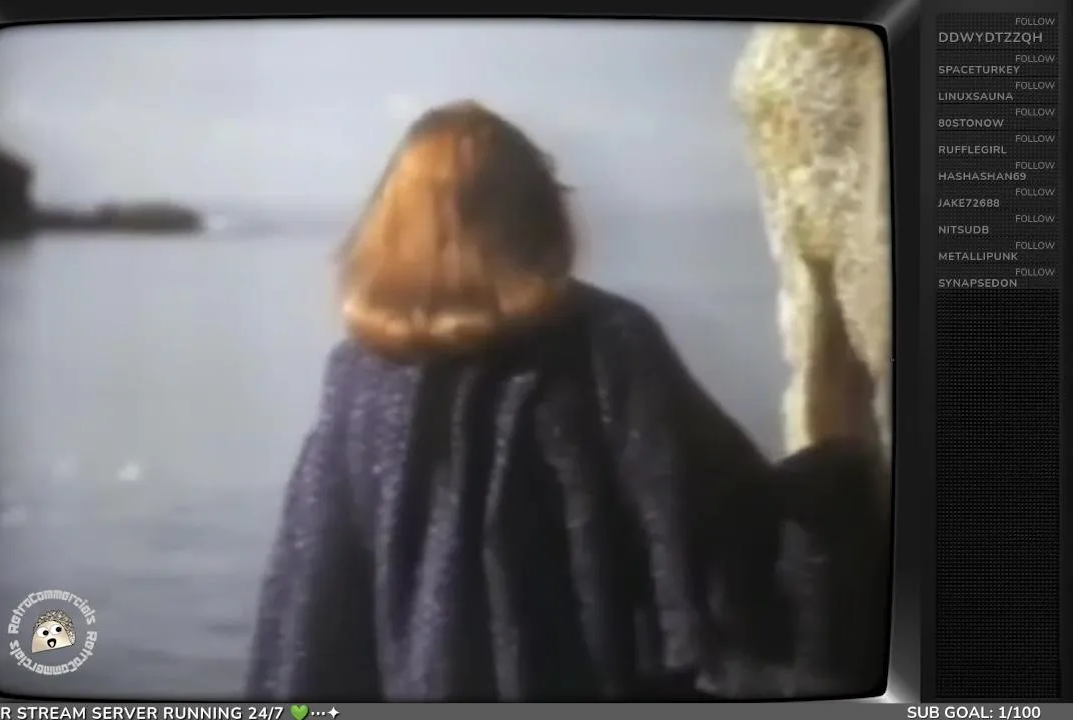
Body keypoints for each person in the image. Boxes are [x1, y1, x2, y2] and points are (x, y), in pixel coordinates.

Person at [244, 100, 887, 701]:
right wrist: (842, 476)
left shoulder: (359, 376)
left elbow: (310, 608)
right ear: (534, 214)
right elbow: (725, 545)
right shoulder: (607, 344)